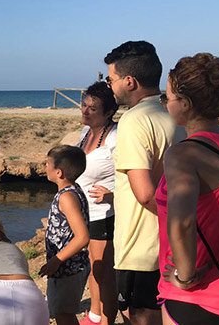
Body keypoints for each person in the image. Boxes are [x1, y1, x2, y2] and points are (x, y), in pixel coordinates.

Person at [156, 53, 219, 324]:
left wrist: (185, 275)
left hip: (196, 298)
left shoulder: (184, 155)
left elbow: (182, 222)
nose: (166, 103)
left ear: (184, 104)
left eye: (167, 97)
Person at [104, 41, 185, 325]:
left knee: (140, 317)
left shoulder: (134, 121)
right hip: (173, 246)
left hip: (140, 248)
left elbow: (145, 194)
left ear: (129, 81)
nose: (110, 86)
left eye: (111, 79)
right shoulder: (175, 117)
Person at [76, 82, 119, 325]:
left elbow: (132, 176)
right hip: (83, 213)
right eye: (84, 105)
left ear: (109, 112)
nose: (85, 111)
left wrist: (113, 196)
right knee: (93, 267)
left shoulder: (116, 137)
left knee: (105, 274)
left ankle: (106, 321)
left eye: (92, 108)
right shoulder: (85, 133)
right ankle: (94, 314)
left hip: (105, 214)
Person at [40, 145, 91, 325]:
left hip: (68, 268)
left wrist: (56, 261)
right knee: (62, 312)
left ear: (59, 172)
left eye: (47, 163)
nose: (45, 166)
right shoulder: (73, 190)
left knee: (64, 314)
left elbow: (83, 237)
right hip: (70, 266)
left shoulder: (66, 197)